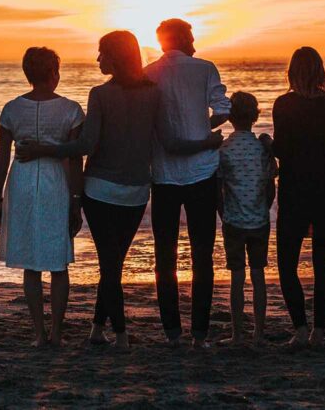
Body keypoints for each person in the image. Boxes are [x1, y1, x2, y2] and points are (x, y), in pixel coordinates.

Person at [17, 30, 219, 350]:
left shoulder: (99, 94)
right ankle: (98, 329)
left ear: (116, 57)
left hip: (99, 190)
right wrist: (206, 141)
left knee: (110, 266)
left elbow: (85, 145)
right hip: (136, 192)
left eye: (102, 54)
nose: (97, 60)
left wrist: (42, 148)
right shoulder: (153, 93)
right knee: (112, 263)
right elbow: (169, 142)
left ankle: (122, 336)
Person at [144, 18, 231, 348]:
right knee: (202, 254)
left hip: (163, 175)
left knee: (164, 255)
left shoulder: (148, 73)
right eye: (192, 36)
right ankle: (200, 334)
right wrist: (202, 126)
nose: (195, 42)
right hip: (202, 173)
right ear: (184, 37)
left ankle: (171, 332)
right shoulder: (205, 68)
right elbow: (223, 109)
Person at [0, 47, 84, 347]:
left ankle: (39, 334)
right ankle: (56, 332)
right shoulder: (71, 109)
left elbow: (2, 159)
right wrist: (76, 200)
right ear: (54, 73)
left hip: (22, 183)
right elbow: (76, 160)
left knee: (31, 264)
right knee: (58, 263)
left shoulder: (11, 109)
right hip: (56, 182)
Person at [272, 47, 325, 348]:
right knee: (322, 262)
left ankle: (301, 329)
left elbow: (282, 149)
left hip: (295, 191)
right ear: (320, 71)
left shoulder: (283, 104)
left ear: (292, 72)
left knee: (287, 262)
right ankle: (319, 330)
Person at [215, 92, 273, 347]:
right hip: (259, 219)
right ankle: (259, 333)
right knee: (258, 275)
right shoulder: (262, 147)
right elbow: (271, 184)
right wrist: (265, 207)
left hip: (234, 221)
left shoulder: (224, 149)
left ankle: (238, 334)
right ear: (255, 116)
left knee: (237, 278)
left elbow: (218, 187)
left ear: (229, 117)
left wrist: (223, 213)